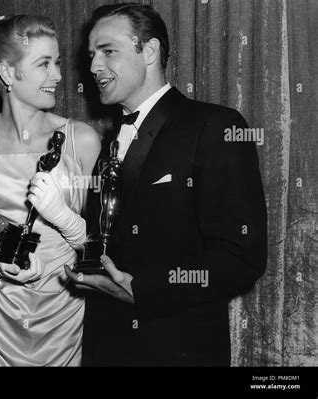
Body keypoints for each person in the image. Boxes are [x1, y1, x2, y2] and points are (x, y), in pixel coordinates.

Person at [62, 3, 268, 366]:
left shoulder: (215, 126)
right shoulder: (108, 142)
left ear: (151, 51)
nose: (93, 67)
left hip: (178, 351)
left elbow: (241, 258)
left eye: (108, 51)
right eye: (92, 55)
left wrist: (142, 291)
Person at [0, 14, 101, 366]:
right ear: (8, 73)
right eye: (44, 64)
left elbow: (101, 248)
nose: (58, 75)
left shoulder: (82, 140)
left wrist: (62, 216)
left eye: (57, 63)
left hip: (63, 314)